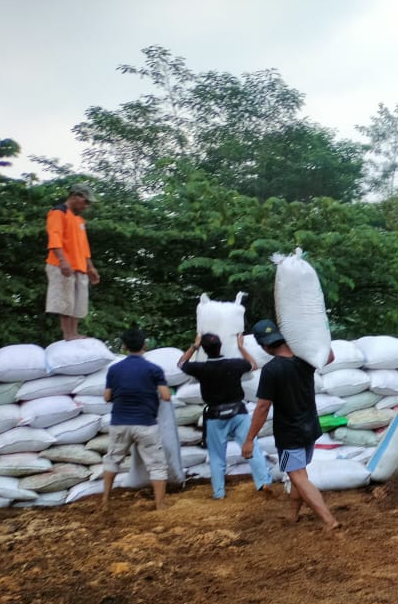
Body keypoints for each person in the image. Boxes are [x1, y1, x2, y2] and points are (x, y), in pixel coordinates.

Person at [242, 319, 339, 531]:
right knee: (298, 475)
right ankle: (292, 516)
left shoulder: (272, 370)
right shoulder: (303, 359)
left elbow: (262, 407)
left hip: (290, 432)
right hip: (310, 427)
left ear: (264, 346)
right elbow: (330, 356)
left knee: (299, 477)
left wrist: (249, 439)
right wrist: (313, 337)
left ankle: (329, 521)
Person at [178, 332, 272, 500]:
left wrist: (194, 346)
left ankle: (219, 493)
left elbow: (181, 364)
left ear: (205, 350)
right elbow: (254, 365)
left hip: (215, 416)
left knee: (216, 456)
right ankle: (263, 481)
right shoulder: (234, 364)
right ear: (221, 346)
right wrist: (241, 347)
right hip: (238, 413)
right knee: (252, 447)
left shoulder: (201, 368)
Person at [102, 328, 172, 510]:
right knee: (157, 465)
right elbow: (166, 396)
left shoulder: (114, 369)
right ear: (145, 345)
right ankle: (160, 505)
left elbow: (107, 397)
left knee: (112, 460)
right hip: (146, 424)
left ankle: (105, 502)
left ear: (124, 347)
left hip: (119, 423)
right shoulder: (154, 369)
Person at [46, 183, 101, 341]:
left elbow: (84, 245)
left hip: (80, 266)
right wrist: (63, 261)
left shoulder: (79, 220)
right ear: (75, 196)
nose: (87, 206)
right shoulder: (58, 212)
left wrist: (90, 267)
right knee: (65, 301)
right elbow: (54, 237)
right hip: (62, 265)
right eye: (86, 201)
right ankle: (68, 334)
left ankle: (74, 331)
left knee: (78, 301)